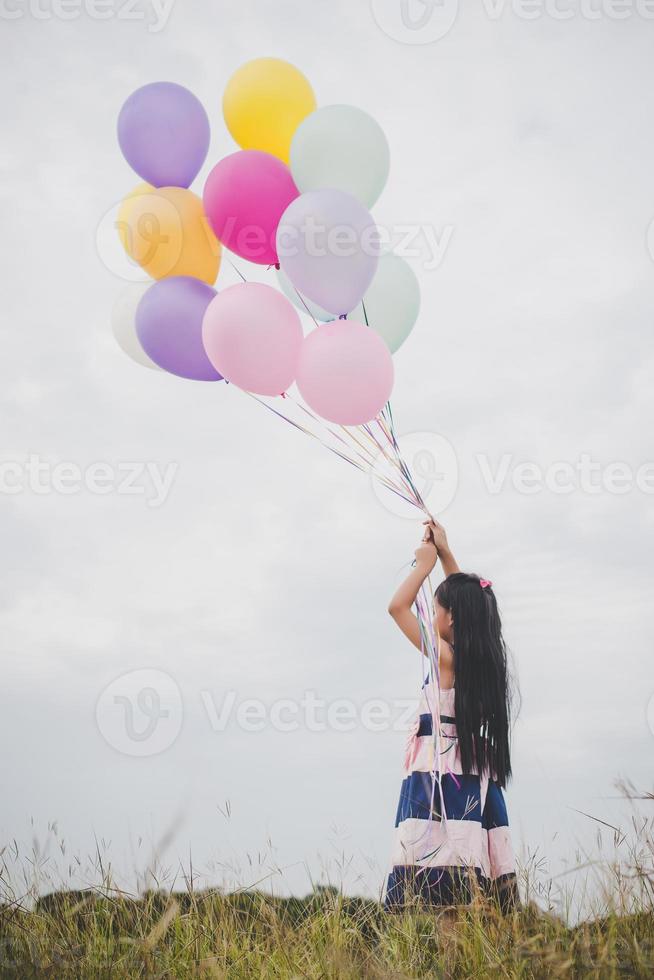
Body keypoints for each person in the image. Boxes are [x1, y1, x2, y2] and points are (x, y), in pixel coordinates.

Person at [382, 518, 520, 915]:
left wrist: (424, 564)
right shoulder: (484, 662)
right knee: (461, 900)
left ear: (452, 618)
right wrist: (446, 553)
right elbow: (469, 605)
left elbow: (397, 608)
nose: (436, 614)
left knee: (445, 897)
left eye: (440, 609)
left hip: (441, 782)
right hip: (470, 780)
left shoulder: (446, 660)